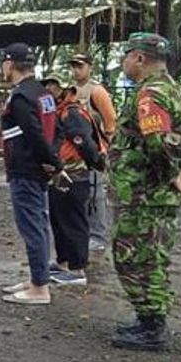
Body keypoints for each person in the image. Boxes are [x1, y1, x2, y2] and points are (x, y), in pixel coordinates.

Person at [110, 33, 181, 350]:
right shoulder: (172, 88)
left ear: (139, 58)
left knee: (133, 257)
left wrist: (173, 173)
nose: (124, 62)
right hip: (155, 194)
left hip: (144, 194)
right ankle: (150, 320)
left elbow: (157, 141)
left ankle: (152, 327)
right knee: (153, 256)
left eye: (126, 55)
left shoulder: (151, 93)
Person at [0, 43, 63, 305]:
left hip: (25, 168)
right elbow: (57, 130)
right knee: (40, 223)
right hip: (38, 167)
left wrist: (50, 160)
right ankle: (39, 277)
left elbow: (33, 133)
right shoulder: (44, 94)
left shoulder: (22, 96)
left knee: (32, 226)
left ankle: (39, 288)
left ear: (9, 64)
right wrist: (53, 159)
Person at [44, 76, 106, 288]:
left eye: (54, 85)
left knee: (73, 221)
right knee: (59, 219)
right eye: (47, 85)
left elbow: (84, 143)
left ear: (64, 88)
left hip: (75, 174)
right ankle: (63, 262)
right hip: (60, 173)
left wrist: (94, 162)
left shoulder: (72, 112)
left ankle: (77, 268)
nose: (50, 89)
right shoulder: (57, 111)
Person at [69, 52, 118, 252]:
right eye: (73, 66)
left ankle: (98, 235)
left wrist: (106, 146)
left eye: (80, 66)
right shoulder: (70, 91)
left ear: (90, 67)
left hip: (96, 150)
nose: (76, 70)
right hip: (77, 152)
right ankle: (84, 232)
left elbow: (110, 120)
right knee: (80, 193)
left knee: (96, 194)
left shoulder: (96, 91)